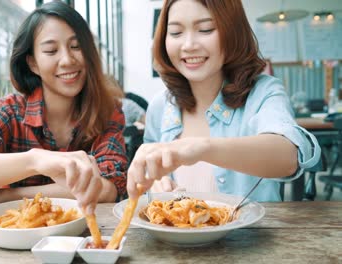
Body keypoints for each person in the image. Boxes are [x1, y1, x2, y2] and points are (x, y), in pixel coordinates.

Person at [127, 0, 321, 202]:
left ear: (233, 32)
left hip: (252, 233)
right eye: (176, 33)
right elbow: (150, 178)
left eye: (206, 29)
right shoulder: (161, 106)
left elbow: (288, 157)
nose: (189, 45)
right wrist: (156, 182)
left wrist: (202, 148)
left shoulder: (263, 92)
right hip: (179, 233)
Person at [0, 1, 127, 214]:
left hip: (80, 237)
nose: (67, 60)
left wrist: (1, 197)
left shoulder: (107, 111)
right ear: (32, 63)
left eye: (76, 47)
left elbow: (108, 190)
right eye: (51, 51)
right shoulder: (6, 111)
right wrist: (36, 160)